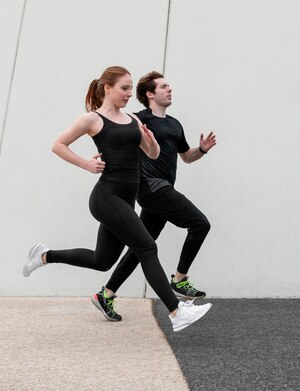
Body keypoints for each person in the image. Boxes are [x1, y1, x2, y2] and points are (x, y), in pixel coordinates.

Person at [23, 66, 211, 332]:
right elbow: (58, 145)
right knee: (147, 247)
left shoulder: (133, 119)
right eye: (124, 88)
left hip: (126, 198)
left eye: (130, 88)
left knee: (102, 261)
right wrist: (86, 165)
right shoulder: (92, 119)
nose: (128, 94)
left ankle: (44, 255)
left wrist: (151, 141)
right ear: (107, 88)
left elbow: (153, 154)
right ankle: (176, 312)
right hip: (106, 196)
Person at [95, 71, 216, 321]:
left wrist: (202, 150)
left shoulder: (174, 124)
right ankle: (180, 279)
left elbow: (186, 157)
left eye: (169, 86)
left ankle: (105, 294)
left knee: (142, 247)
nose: (169, 89)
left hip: (161, 190)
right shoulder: (137, 119)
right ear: (150, 94)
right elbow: (112, 129)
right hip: (150, 187)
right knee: (200, 223)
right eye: (163, 87)